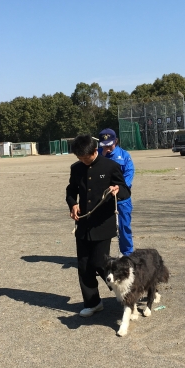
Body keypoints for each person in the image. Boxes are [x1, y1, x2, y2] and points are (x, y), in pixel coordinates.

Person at [66, 135, 131, 317]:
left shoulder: (111, 167)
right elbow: (71, 190)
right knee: (84, 265)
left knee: (100, 263)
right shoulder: (76, 168)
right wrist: (73, 204)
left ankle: (127, 289)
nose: (83, 161)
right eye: (79, 158)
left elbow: (126, 191)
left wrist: (118, 190)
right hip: (83, 224)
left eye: (85, 158)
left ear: (95, 151)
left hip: (103, 224)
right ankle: (93, 302)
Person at [98, 128, 135, 256]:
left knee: (124, 228)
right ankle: (101, 257)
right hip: (102, 200)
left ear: (116, 141)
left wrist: (119, 186)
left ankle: (127, 255)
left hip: (121, 199)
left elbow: (129, 174)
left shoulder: (124, 156)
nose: (107, 148)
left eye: (110, 145)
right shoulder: (97, 155)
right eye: (104, 145)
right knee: (101, 229)